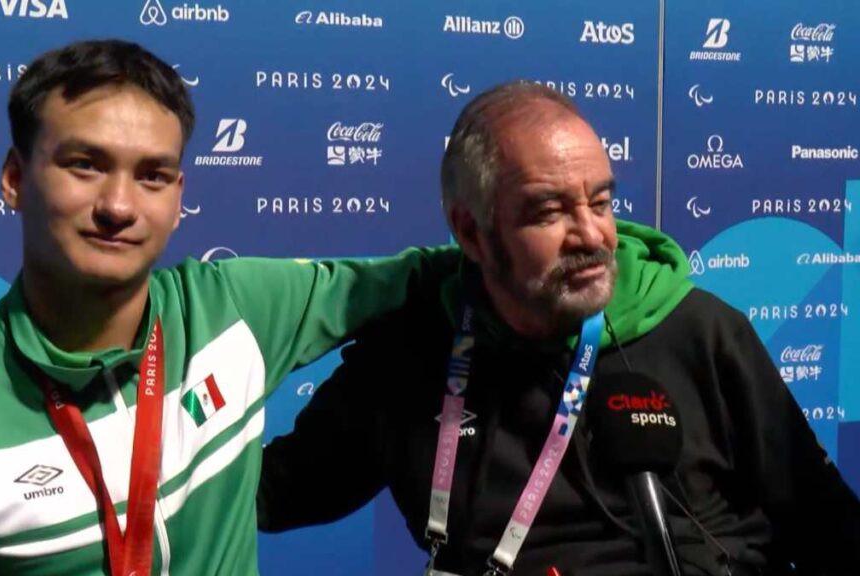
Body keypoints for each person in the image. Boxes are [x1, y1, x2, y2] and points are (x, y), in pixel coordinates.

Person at [0, 39, 454, 575]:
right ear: (14, 177)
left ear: (179, 195)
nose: (119, 204)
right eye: (85, 164)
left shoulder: (236, 309)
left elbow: (439, 270)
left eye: (153, 176)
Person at [257, 82, 860, 575]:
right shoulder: (409, 353)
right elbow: (270, 495)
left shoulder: (703, 334)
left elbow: (829, 531)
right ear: (471, 232)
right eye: (550, 211)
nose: (594, 236)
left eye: (600, 202)